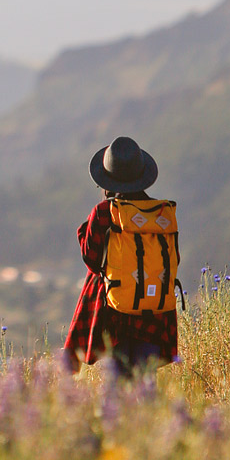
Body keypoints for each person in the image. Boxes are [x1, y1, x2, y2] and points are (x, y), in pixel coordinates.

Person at [63, 136, 178, 376]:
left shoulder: (104, 212)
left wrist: (87, 230)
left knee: (119, 388)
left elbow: (92, 260)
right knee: (146, 384)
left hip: (117, 313)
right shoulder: (161, 213)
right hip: (155, 313)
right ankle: (149, 414)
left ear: (107, 180)